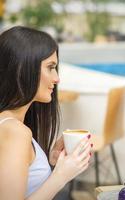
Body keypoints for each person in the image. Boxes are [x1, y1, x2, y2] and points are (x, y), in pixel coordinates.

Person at [0, 26, 92, 200]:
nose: (57, 78)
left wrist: (43, 161)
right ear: (22, 68)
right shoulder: (16, 132)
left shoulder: (10, 125)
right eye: (50, 67)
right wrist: (61, 176)